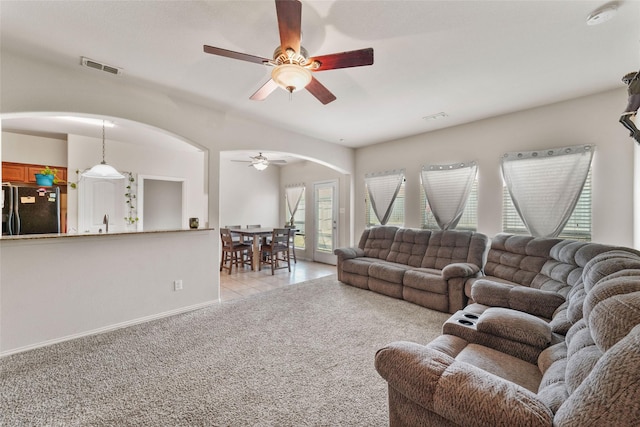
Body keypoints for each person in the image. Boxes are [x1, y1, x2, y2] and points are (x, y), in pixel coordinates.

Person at [620, 70, 640, 144]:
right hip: (633, 101)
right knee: (623, 119)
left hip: (635, 99)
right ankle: (635, 133)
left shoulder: (636, 82)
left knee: (624, 119)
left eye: (627, 81)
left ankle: (637, 134)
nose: (627, 84)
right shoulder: (632, 87)